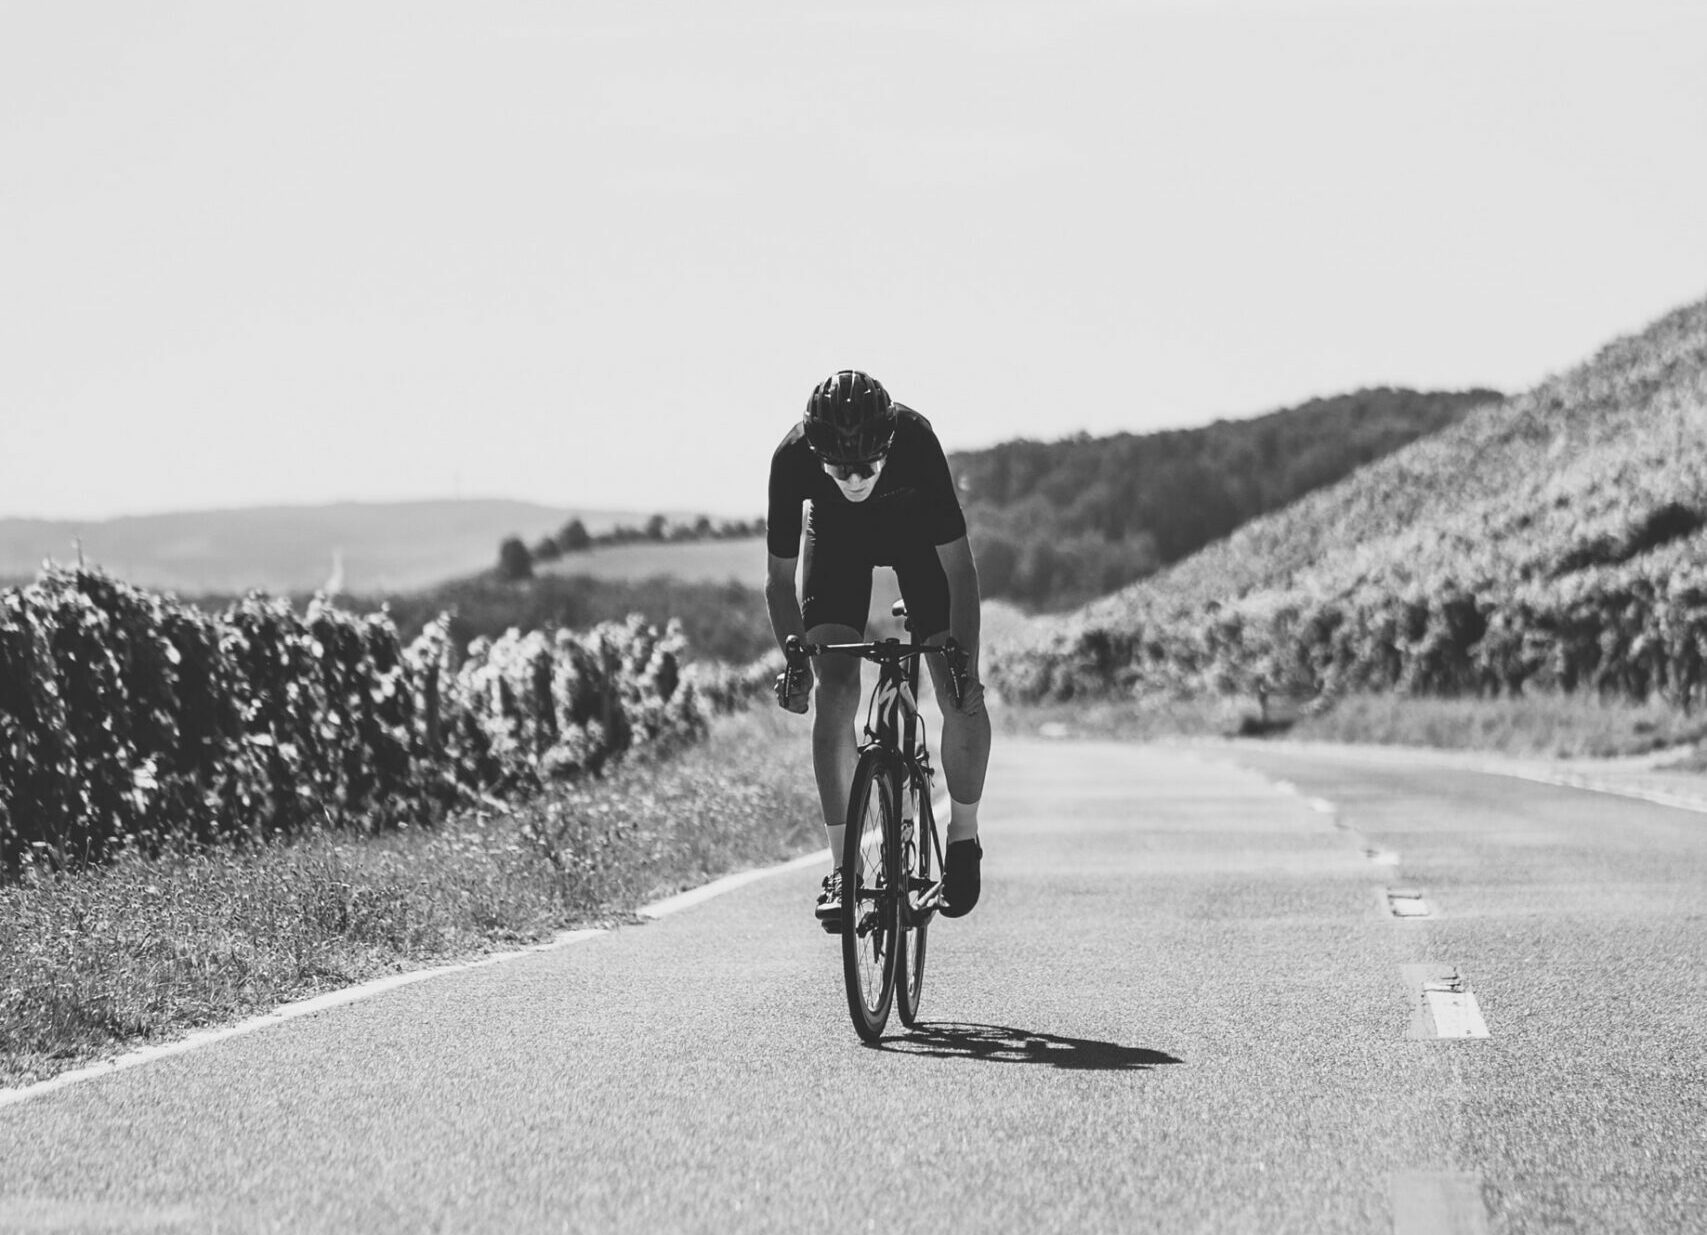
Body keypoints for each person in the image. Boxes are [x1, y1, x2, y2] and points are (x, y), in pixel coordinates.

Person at [764, 369, 991, 930]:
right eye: (840, 467)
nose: (856, 476)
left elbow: (959, 572)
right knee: (835, 691)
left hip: (916, 538)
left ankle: (963, 837)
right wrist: (796, 661)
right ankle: (843, 866)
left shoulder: (916, 441)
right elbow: (778, 582)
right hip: (837, 541)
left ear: (888, 446)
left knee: (957, 692)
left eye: (868, 463)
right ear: (816, 454)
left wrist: (965, 661)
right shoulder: (791, 458)